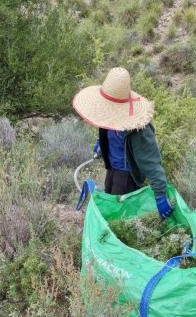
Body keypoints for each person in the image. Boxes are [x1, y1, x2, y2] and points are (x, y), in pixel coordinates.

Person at [72, 67, 173, 219]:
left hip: (126, 176)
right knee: (110, 206)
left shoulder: (139, 128)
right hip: (112, 169)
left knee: (117, 218)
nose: (108, 111)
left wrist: (160, 194)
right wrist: (102, 142)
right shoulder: (107, 115)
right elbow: (108, 127)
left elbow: (152, 163)